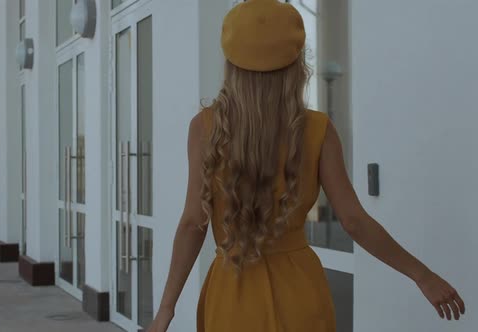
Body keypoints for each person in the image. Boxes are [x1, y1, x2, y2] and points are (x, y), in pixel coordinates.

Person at [148, 1, 466, 331]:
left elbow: (192, 225)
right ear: (296, 63)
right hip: (300, 291)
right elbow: (354, 221)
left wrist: (165, 312)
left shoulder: (205, 128)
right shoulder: (317, 129)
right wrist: (422, 275)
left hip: (232, 294)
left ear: (231, 63)